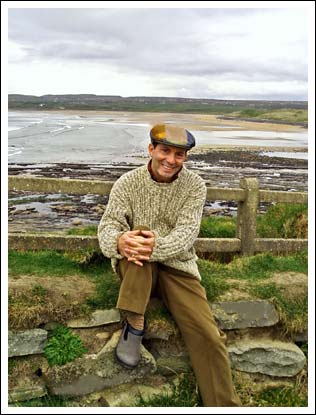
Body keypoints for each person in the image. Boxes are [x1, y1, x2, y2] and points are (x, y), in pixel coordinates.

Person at [98, 124, 241, 407]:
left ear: (185, 157)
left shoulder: (195, 186)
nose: (171, 160)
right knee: (137, 234)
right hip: (136, 266)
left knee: (209, 337)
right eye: (165, 151)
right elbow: (108, 227)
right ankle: (134, 322)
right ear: (151, 149)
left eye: (179, 154)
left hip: (178, 266)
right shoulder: (127, 183)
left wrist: (154, 247)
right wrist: (119, 242)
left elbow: (187, 233)